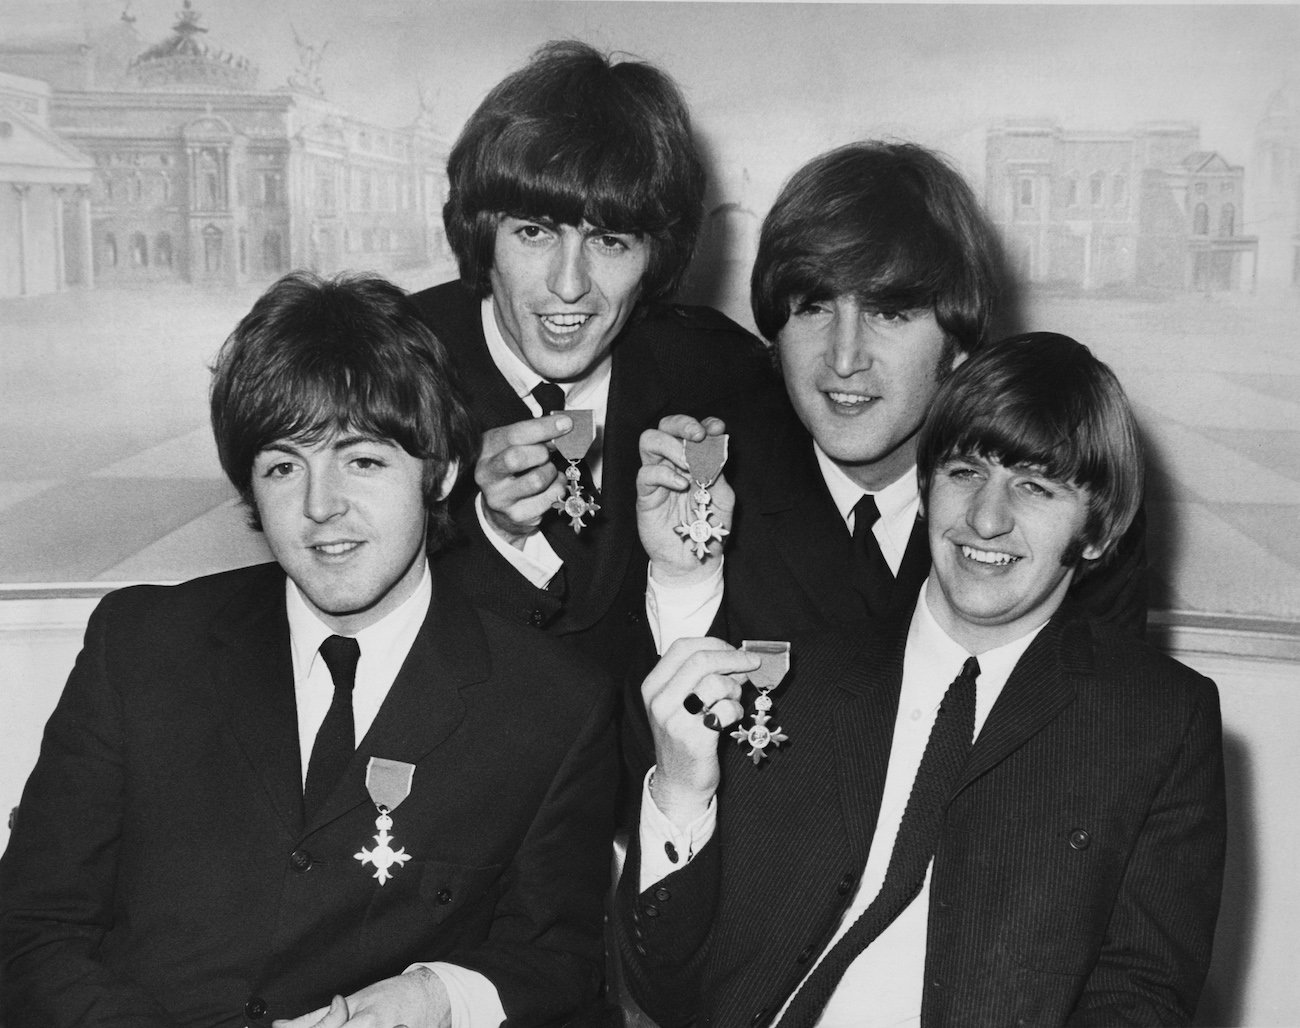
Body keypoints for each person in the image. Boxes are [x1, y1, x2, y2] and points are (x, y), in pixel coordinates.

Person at [0, 272, 617, 1027]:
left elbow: (558, 963)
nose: (320, 506)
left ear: (442, 471)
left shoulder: (554, 705)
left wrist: (438, 996)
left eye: (362, 460)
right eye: (283, 466)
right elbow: (29, 932)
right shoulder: (139, 649)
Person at [618, 333, 1226, 1026]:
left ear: (1095, 531)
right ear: (928, 483)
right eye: (966, 472)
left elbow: (1141, 1000)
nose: (986, 520)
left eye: (1033, 486)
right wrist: (680, 798)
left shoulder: (1156, 720)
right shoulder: (791, 678)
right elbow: (665, 986)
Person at [636, 142, 1148, 662]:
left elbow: (1098, 728)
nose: (844, 359)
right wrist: (683, 584)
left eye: (889, 314)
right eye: (814, 307)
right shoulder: (697, 485)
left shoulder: (1059, 510)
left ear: (960, 342)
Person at [408, 40, 774, 682]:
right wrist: (496, 534)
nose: (570, 285)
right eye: (534, 232)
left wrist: (690, 563)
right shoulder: (390, 364)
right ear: (480, 235)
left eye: (609, 241)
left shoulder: (725, 376)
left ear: (655, 255)